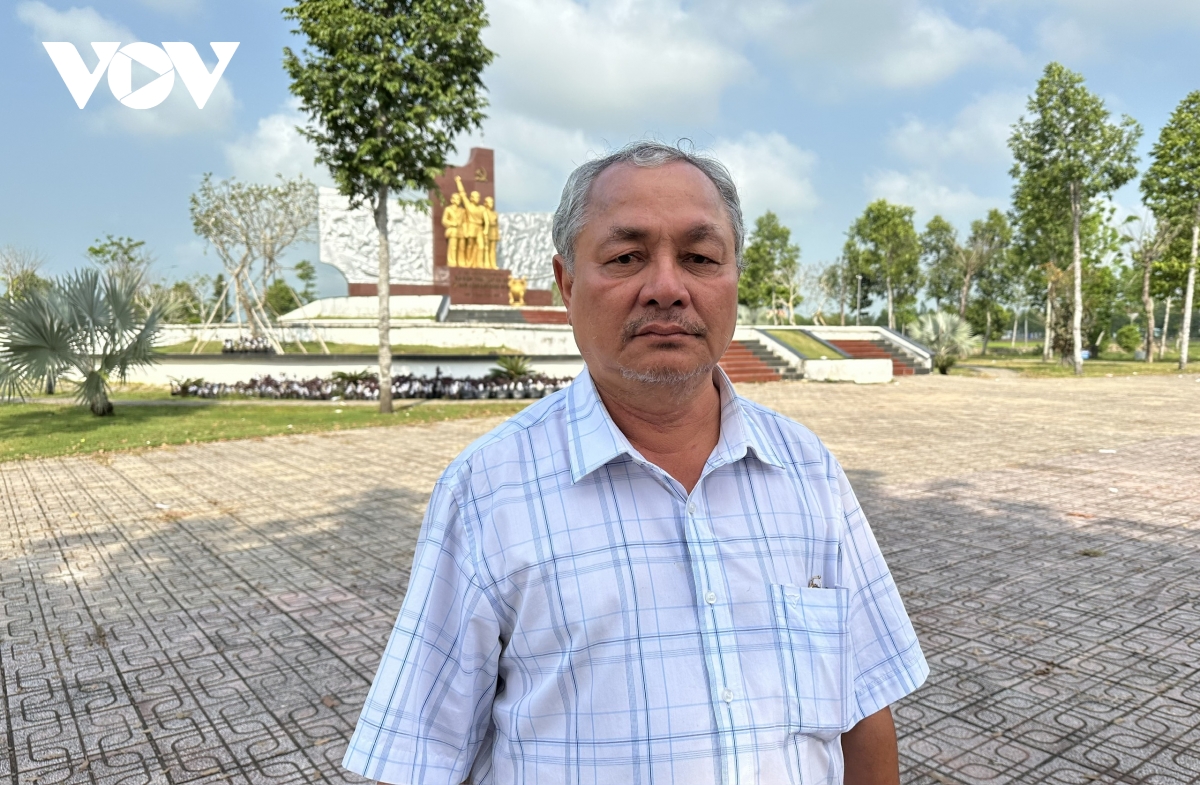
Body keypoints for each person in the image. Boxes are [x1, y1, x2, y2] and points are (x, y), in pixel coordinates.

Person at [343, 141, 927, 784]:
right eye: (626, 258)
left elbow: (864, 708)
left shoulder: (808, 470)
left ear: (735, 277)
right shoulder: (487, 491)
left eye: (701, 258)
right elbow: (421, 756)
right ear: (567, 284)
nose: (668, 289)